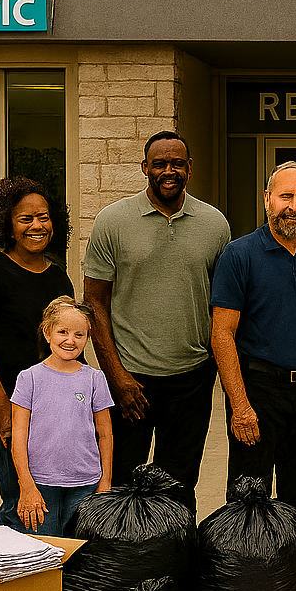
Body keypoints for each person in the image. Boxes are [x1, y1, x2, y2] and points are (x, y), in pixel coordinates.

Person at [84, 131, 230, 519]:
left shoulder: (214, 224)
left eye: (177, 163)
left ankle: (174, 556)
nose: (169, 171)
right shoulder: (112, 221)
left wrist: (213, 367)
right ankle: (123, 557)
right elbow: (94, 303)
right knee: (121, 486)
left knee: (179, 488)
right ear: (145, 168)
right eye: (160, 164)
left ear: (189, 168)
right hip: (130, 379)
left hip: (192, 380)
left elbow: (222, 304)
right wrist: (116, 376)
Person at [210, 161, 296, 515]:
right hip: (258, 392)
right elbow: (222, 334)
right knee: (247, 503)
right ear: (268, 199)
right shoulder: (239, 255)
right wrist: (240, 407)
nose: (294, 206)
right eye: (286, 196)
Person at [0, 176, 74, 530]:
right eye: (26, 219)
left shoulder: (59, 278)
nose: (37, 226)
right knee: (18, 503)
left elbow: (68, 346)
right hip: (12, 410)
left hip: (54, 410)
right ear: (7, 226)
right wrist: (3, 412)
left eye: (43, 217)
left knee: (48, 502)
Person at [11, 297, 114, 536]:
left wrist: (105, 482)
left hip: (86, 483)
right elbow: (18, 435)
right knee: (45, 547)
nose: (70, 340)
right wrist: (26, 484)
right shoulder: (29, 378)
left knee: (79, 549)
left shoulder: (95, 379)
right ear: (47, 333)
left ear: (87, 337)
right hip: (40, 483)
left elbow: (105, 434)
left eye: (79, 335)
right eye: (62, 332)